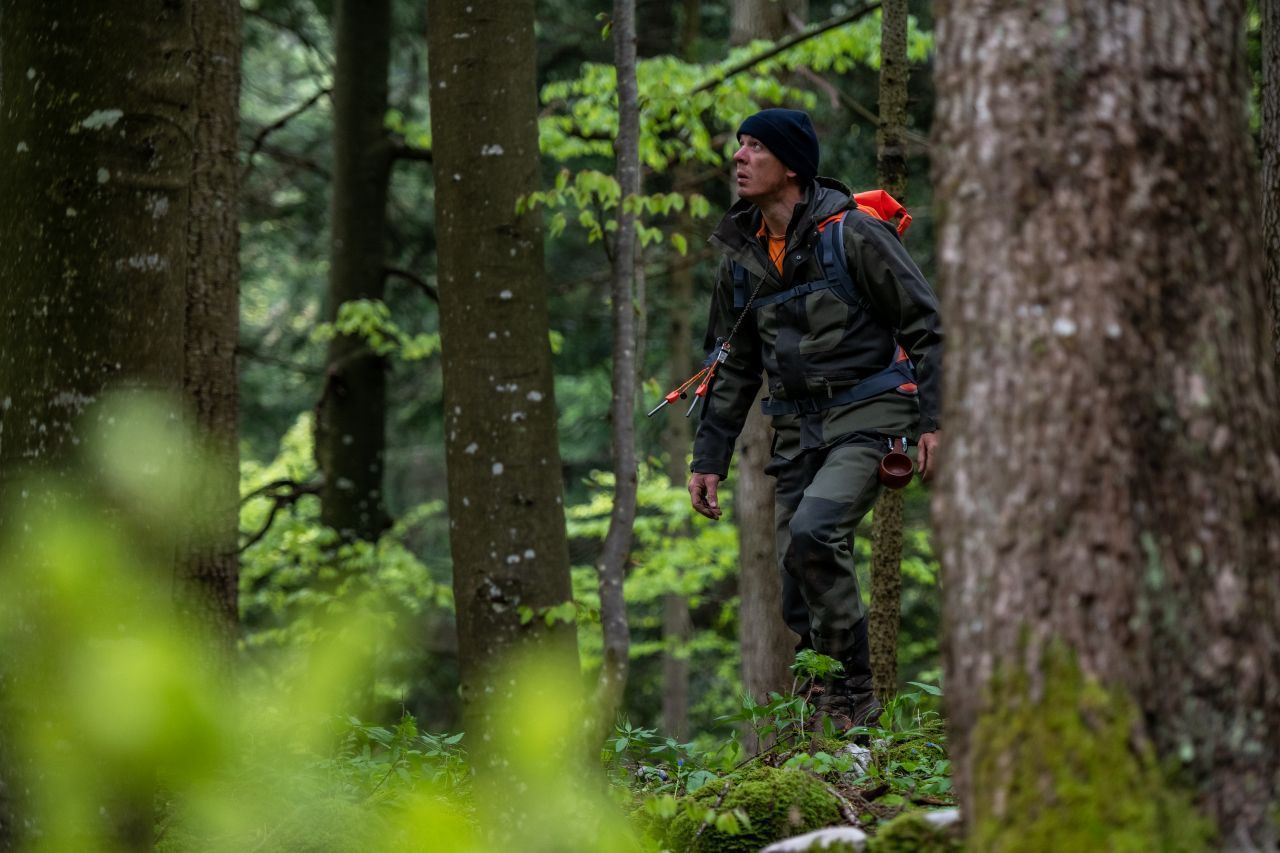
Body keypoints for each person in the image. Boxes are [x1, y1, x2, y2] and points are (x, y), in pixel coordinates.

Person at [687, 108, 942, 731]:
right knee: (793, 575)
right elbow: (732, 365)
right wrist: (708, 459)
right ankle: (823, 699)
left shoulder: (853, 234)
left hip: (870, 411)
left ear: (792, 165)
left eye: (756, 148)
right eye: (739, 146)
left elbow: (929, 328)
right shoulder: (743, 258)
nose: (740, 158)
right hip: (797, 429)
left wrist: (936, 421)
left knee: (814, 532)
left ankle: (856, 691)